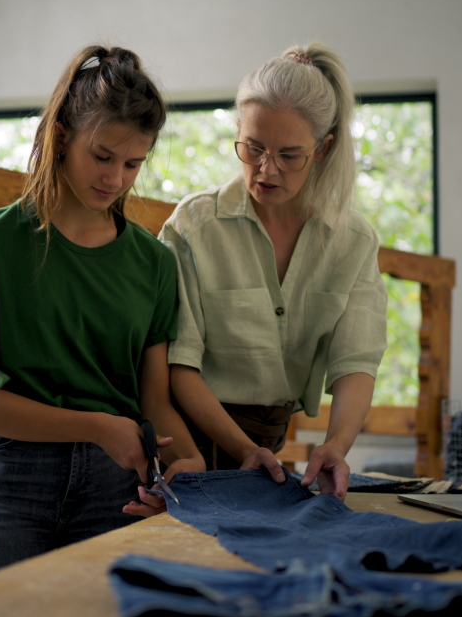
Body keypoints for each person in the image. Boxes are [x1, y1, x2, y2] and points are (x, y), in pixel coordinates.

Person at [0, 46, 204, 581]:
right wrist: (98, 426)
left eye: (133, 164)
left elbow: (154, 402)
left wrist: (189, 463)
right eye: (102, 156)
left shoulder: (155, 264)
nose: (116, 179)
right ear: (61, 136)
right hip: (12, 475)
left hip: (118, 486)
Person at [158, 42, 387, 502]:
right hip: (185, 442)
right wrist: (245, 448)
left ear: (323, 150)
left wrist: (336, 446)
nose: (266, 170)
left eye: (289, 155)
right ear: (238, 130)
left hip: (264, 447)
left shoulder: (353, 241)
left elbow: (355, 363)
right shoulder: (194, 226)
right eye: (253, 148)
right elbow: (178, 365)